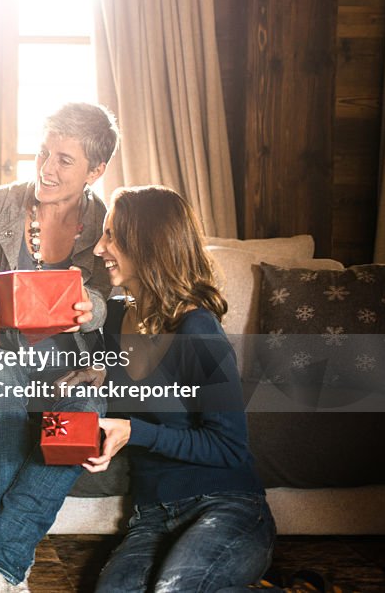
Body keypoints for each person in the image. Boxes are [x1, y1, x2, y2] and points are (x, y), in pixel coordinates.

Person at [0, 102, 120, 592]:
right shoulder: (3, 203)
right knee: (2, 391)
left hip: (70, 355)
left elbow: (110, 298)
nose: (47, 169)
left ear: (96, 169)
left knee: (87, 406)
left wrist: (86, 306)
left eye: (64, 160)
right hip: (4, 346)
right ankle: (9, 564)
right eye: (43, 153)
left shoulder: (104, 220)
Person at [87, 185, 275, 592]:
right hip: (151, 516)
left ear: (148, 243)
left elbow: (230, 447)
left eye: (112, 236)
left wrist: (135, 432)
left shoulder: (197, 327)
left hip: (226, 505)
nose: (100, 247)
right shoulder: (114, 318)